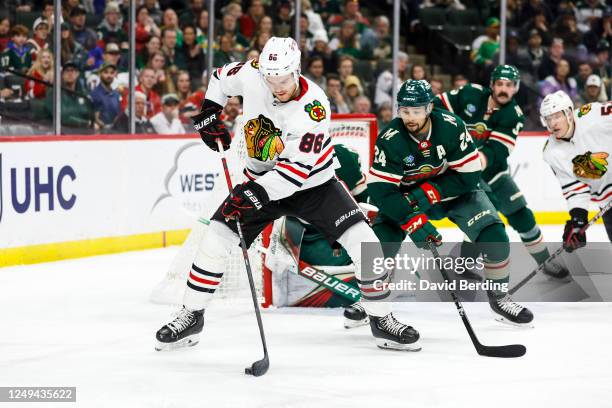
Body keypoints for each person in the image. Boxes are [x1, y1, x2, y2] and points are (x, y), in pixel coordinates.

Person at [155, 36, 420, 352]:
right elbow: (219, 79)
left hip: (315, 185)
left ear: (297, 70)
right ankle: (191, 315)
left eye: (283, 78)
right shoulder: (254, 74)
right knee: (216, 237)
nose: (276, 85)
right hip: (260, 179)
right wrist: (210, 110)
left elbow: (294, 176)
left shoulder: (314, 108)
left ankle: (381, 318)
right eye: (271, 78)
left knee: (365, 242)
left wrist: (252, 193)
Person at [367, 79, 534, 326]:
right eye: (404, 111)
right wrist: (410, 219)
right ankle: (370, 302)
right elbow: (381, 190)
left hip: (456, 194)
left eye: (416, 111)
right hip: (408, 200)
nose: (410, 117)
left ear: (429, 108)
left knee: (495, 235)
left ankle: (500, 298)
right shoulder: (390, 138)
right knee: (380, 244)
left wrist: (431, 191)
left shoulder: (452, 127)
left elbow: (470, 175)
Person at [434, 65, 569, 279]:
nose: (504, 89)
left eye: (509, 85)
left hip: (491, 172)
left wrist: (466, 162)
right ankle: (464, 265)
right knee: (484, 218)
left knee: (522, 215)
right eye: (500, 84)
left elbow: (494, 152)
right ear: (492, 85)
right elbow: (434, 107)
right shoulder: (470, 93)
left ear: (515, 88)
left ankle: (545, 261)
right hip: (459, 174)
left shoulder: (513, 115)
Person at [540, 91, 612, 244]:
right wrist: (578, 218)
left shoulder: (592, 116)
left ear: (569, 114)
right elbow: (575, 188)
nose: (553, 123)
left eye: (557, 116)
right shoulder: (551, 152)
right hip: (607, 205)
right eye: (548, 118)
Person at [90, 63, 122, 132]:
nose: (109, 75)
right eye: (106, 72)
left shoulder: (116, 94)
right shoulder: (95, 94)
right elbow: (95, 118)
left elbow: (118, 115)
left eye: (112, 73)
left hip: (116, 132)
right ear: (99, 74)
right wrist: (106, 127)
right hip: (100, 134)